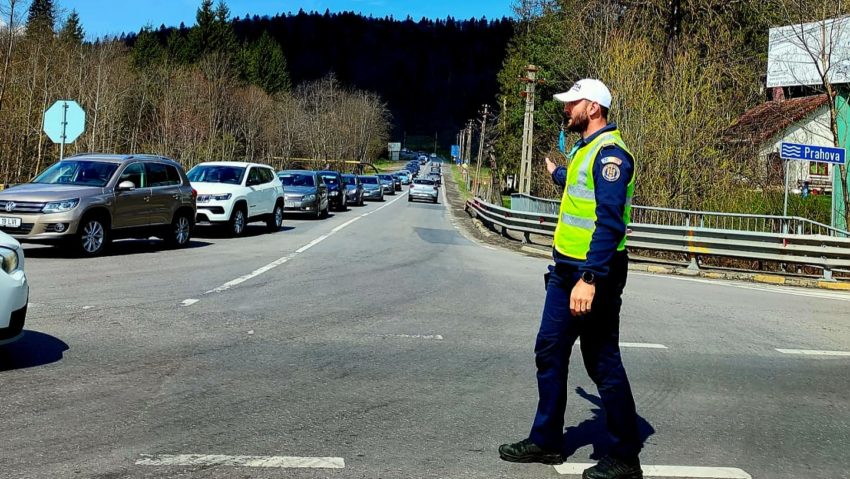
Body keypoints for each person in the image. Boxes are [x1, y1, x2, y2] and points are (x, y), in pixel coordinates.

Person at [499, 79, 643, 479]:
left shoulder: (611, 155)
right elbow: (582, 189)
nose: (567, 109)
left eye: (573, 103)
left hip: (592, 275)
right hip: (565, 271)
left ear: (594, 107)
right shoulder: (585, 150)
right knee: (549, 350)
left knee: (602, 363)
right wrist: (559, 175)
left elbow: (610, 223)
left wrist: (591, 278)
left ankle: (625, 459)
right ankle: (546, 441)